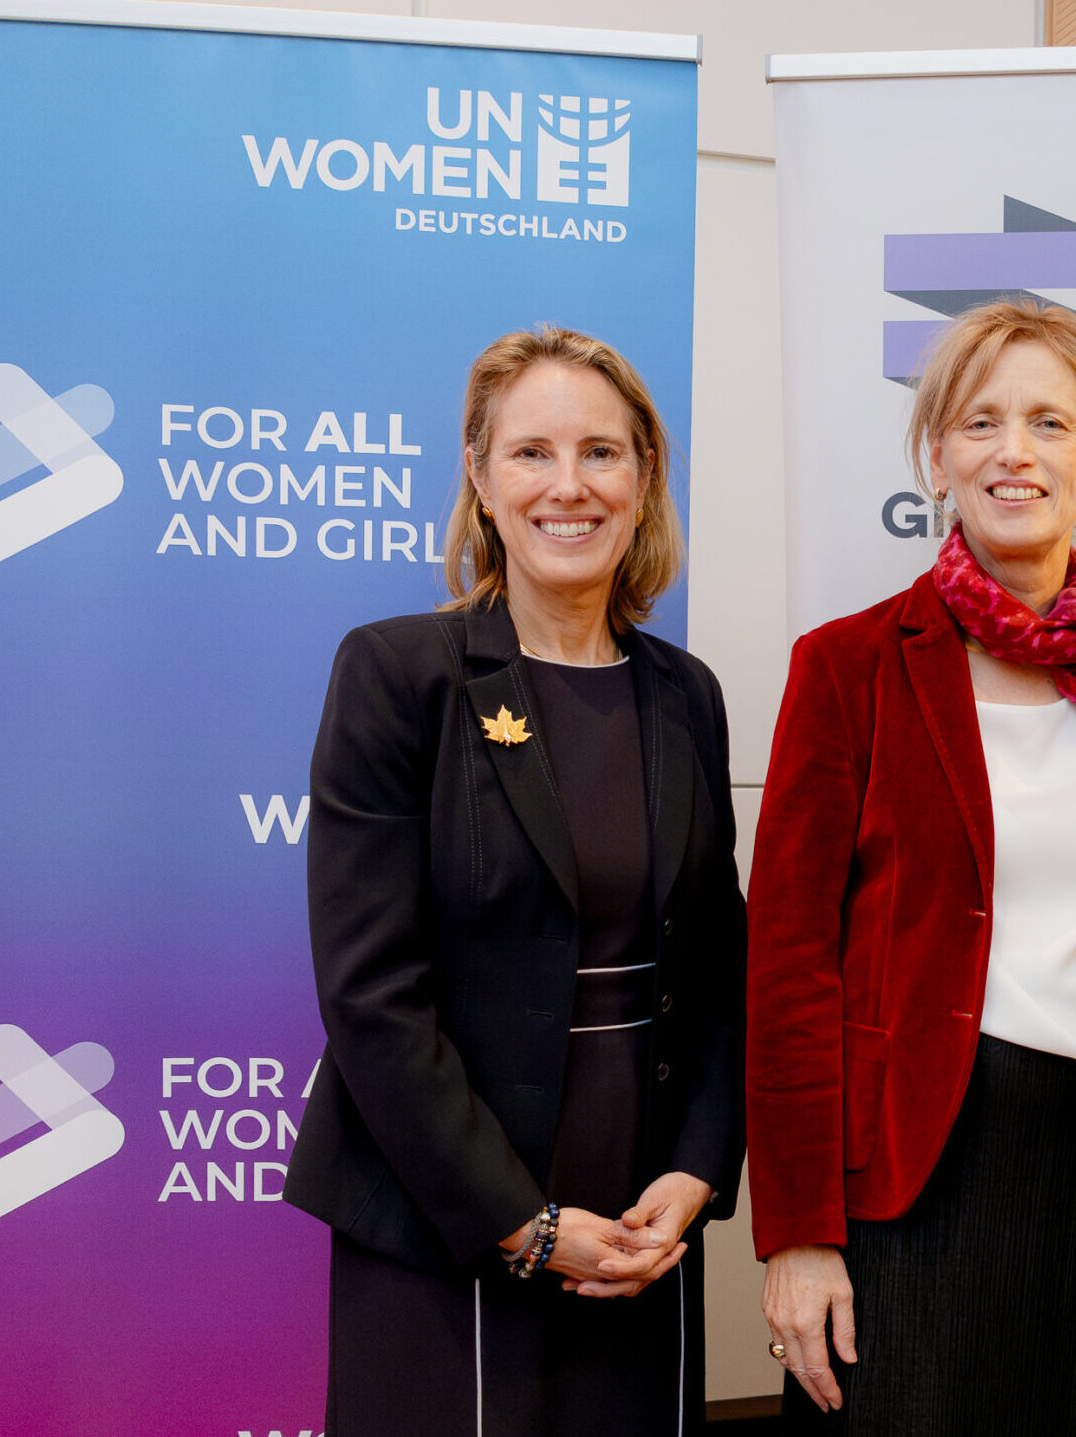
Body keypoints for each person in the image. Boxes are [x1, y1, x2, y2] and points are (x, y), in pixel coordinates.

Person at [746, 300, 1076, 1434]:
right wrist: (797, 1231)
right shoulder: (848, 666)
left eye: (1049, 421)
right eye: (980, 422)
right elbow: (788, 961)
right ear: (937, 453)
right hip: (905, 1177)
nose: (1015, 451)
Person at [284, 327, 745, 1436]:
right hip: (446, 1218)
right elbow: (370, 997)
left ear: (642, 482)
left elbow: (723, 966)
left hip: (638, 1224)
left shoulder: (684, 693)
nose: (569, 485)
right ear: (481, 480)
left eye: (602, 451)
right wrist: (521, 1223)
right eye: (532, 452)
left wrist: (695, 1170)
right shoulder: (400, 674)